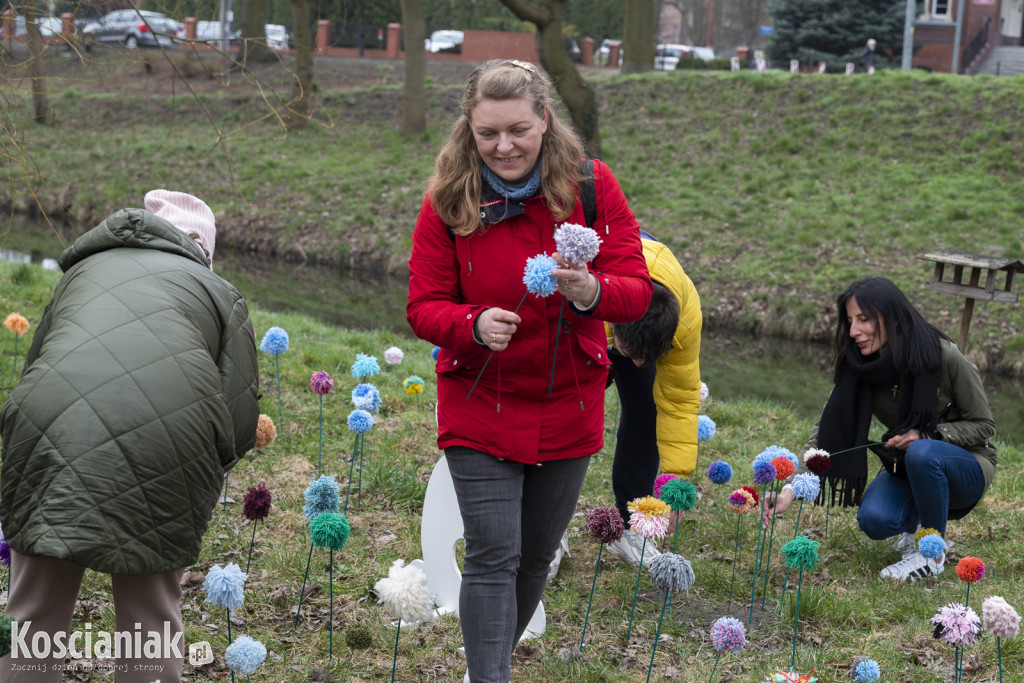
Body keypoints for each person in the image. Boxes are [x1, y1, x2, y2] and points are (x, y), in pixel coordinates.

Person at [406, 59, 652, 683]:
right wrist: (471, 324)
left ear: (545, 118)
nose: (504, 146)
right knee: (494, 552)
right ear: (469, 129)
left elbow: (635, 291)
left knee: (535, 558)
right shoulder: (449, 199)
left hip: (568, 399)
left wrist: (590, 291)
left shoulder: (590, 188)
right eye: (487, 133)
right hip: (479, 397)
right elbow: (424, 304)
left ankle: (486, 663)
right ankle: (489, 677)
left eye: (518, 129)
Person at [0, 190, 260, 682]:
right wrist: (205, 468)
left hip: (46, 428)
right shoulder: (218, 292)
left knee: (33, 608)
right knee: (150, 618)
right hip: (167, 443)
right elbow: (239, 416)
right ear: (202, 249)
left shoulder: (81, 273)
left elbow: (39, 362)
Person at [763, 277, 995, 581]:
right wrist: (792, 488)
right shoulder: (860, 366)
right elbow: (826, 433)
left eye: (863, 319)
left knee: (924, 452)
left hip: (967, 467)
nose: (853, 331)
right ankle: (913, 529)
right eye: (849, 320)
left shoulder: (942, 355)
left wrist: (930, 435)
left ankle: (931, 554)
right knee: (874, 519)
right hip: (909, 466)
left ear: (892, 318)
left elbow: (984, 425)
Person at [603, 234, 703, 566]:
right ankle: (548, 532)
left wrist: (676, 486)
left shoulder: (683, 321)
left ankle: (630, 530)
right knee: (568, 409)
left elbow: (679, 403)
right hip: (591, 312)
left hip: (636, 315)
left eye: (645, 359)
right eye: (629, 355)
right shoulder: (587, 286)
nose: (634, 365)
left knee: (648, 410)